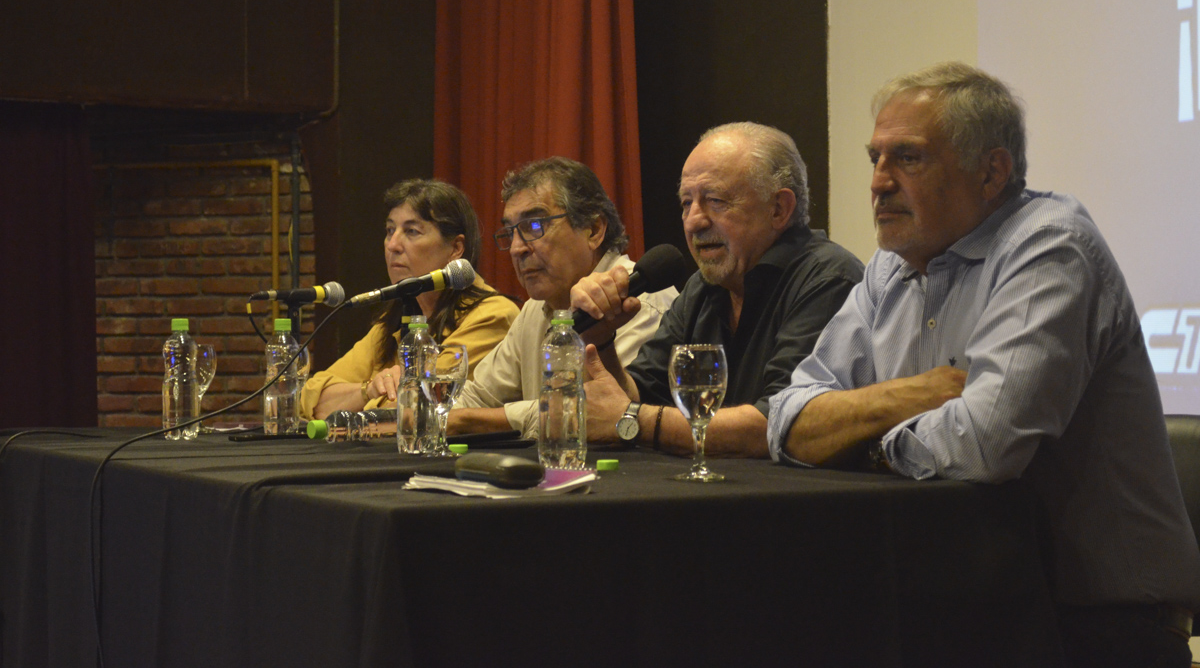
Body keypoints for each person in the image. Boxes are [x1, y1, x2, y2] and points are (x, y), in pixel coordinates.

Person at [767, 62, 1200, 668]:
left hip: (1095, 630)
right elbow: (788, 417)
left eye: (908, 158)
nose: (879, 182)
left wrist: (861, 441)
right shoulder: (891, 266)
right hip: (971, 613)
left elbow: (986, 444)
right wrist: (913, 397)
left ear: (992, 171)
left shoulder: (1050, 246)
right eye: (875, 159)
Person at [571, 122, 863, 457]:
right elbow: (638, 399)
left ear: (778, 209)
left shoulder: (828, 279)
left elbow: (781, 424)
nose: (694, 221)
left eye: (715, 200)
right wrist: (600, 340)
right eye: (686, 203)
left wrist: (633, 420)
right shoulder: (704, 287)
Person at [448, 157, 676, 438]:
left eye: (534, 226)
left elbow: (596, 413)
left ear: (594, 230)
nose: (517, 248)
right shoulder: (536, 309)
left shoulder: (640, 301)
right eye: (510, 232)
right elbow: (471, 401)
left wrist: (472, 421)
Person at [300, 179, 519, 421]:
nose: (393, 245)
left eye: (411, 231)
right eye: (389, 231)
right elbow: (309, 398)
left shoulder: (493, 316)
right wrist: (368, 389)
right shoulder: (394, 321)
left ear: (456, 248)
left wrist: (355, 401)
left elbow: (416, 406)